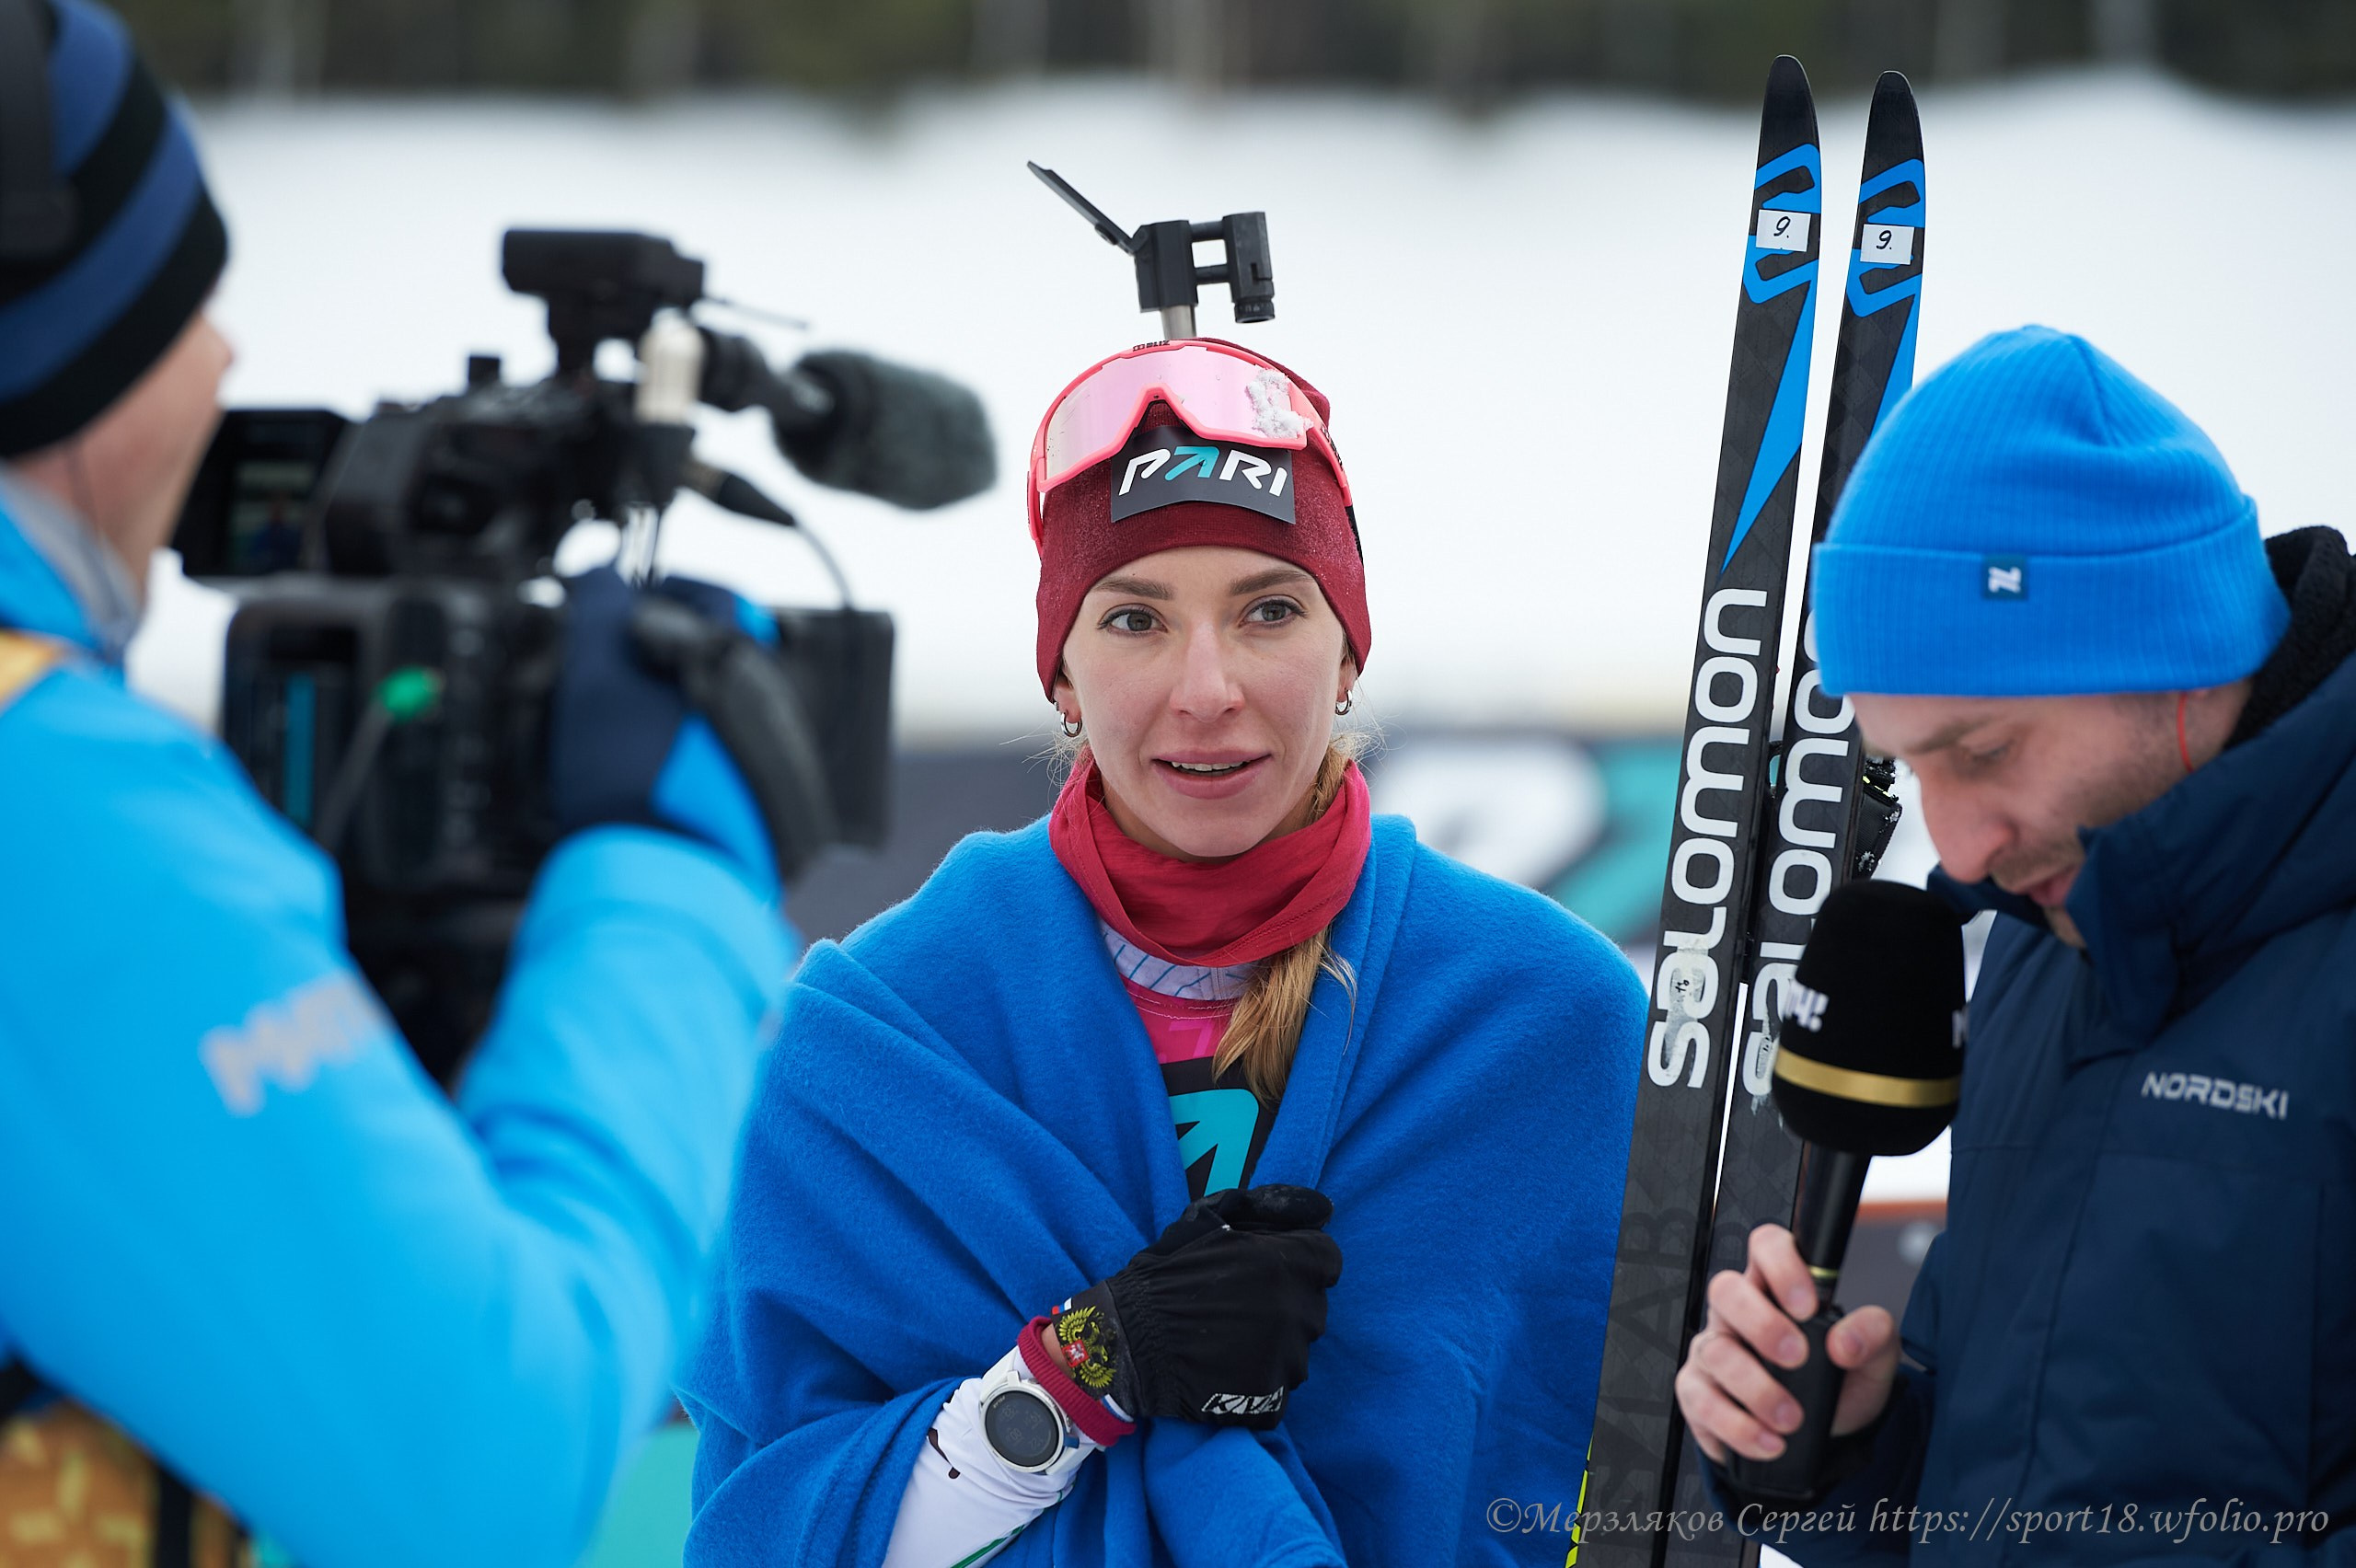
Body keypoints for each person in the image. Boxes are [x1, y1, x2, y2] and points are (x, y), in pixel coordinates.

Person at [0, 5, 803, 1565]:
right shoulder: (55, 810)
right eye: (187, 294)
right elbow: (488, 1470)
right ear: (68, 350)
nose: (226, 356)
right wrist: (666, 883)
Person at [676, 338, 1645, 1566]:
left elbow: (1653, 1484)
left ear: (1348, 652)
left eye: (1270, 612)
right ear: (1063, 675)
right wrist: (1091, 1367)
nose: (1207, 688)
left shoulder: (1541, 1024)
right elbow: (779, 1534)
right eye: (1135, 618)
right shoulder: (876, 1046)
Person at [1675, 325, 2356, 1560]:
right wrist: (1851, 1455)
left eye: (1984, 752)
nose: (1960, 846)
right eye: (1910, 767)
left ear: (2176, 655)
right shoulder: (2054, 932)